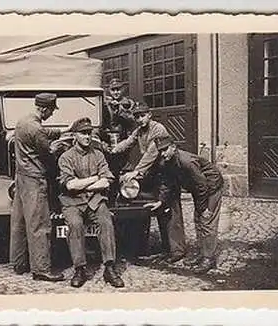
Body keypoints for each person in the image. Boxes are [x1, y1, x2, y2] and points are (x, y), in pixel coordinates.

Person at [125, 136, 224, 274]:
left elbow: (202, 185)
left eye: (165, 149)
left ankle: (209, 259)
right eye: (160, 151)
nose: (163, 153)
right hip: (198, 187)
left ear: (173, 147)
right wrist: (161, 200)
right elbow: (167, 182)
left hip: (211, 186)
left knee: (206, 221)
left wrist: (204, 208)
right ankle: (202, 254)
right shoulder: (167, 161)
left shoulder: (186, 161)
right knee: (198, 221)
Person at [57, 117, 124, 288]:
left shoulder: (98, 155)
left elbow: (107, 181)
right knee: (75, 224)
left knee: (106, 221)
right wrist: (95, 178)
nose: (87, 136)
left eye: (89, 133)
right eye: (83, 133)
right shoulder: (66, 157)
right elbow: (70, 185)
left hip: (95, 200)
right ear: (75, 135)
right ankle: (80, 269)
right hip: (72, 201)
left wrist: (84, 183)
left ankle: (109, 268)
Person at [10, 93, 66, 282]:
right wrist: (57, 148)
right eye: (51, 110)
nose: (51, 114)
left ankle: (18, 263)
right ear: (44, 108)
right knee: (39, 224)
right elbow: (48, 153)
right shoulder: (36, 128)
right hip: (35, 179)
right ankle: (41, 269)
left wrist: (64, 131)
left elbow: (41, 132)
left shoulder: (23, 121)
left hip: (21, 177)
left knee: (19, 222)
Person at [110, 102, 172, 260]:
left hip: (164, 171)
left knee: (166, 210)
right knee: (145, 205)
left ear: (149, 114)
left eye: (142, 115)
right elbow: (128, 142)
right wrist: (112, 150)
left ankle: (170, 249)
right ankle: (140, 245)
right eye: (137, 116)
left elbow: (152, 153)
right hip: (151, 172)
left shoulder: (158, 129)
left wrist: (137, 171)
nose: (139, 119)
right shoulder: (139, 131)